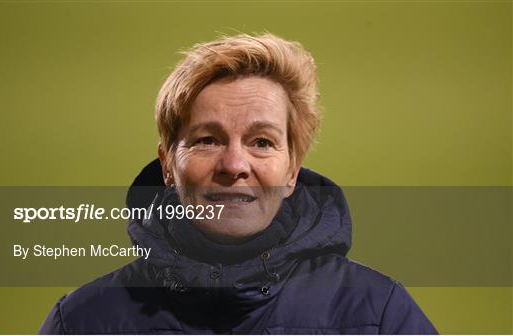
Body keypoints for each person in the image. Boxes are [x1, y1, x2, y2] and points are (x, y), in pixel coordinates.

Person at [39, 33, 438, 334]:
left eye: (262, 142)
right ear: (166, 165)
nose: (234, 164)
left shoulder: (378, 316)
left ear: (292, 172)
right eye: (207, 140)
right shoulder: (81, 322)